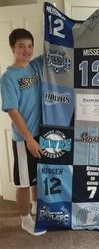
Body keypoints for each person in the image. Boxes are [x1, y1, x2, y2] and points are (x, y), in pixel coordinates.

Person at [0, 28, 46, 236]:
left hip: (40, 133)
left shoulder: (35, 66)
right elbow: (12, 110)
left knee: (36, 176)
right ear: (12, 48)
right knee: (24, 181)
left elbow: (54, 51)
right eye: (21, 46)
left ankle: (35, 207)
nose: (26, 50)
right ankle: (25, 220)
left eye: (29, 46)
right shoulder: (8, 77)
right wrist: (28, 139)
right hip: (23, 138)